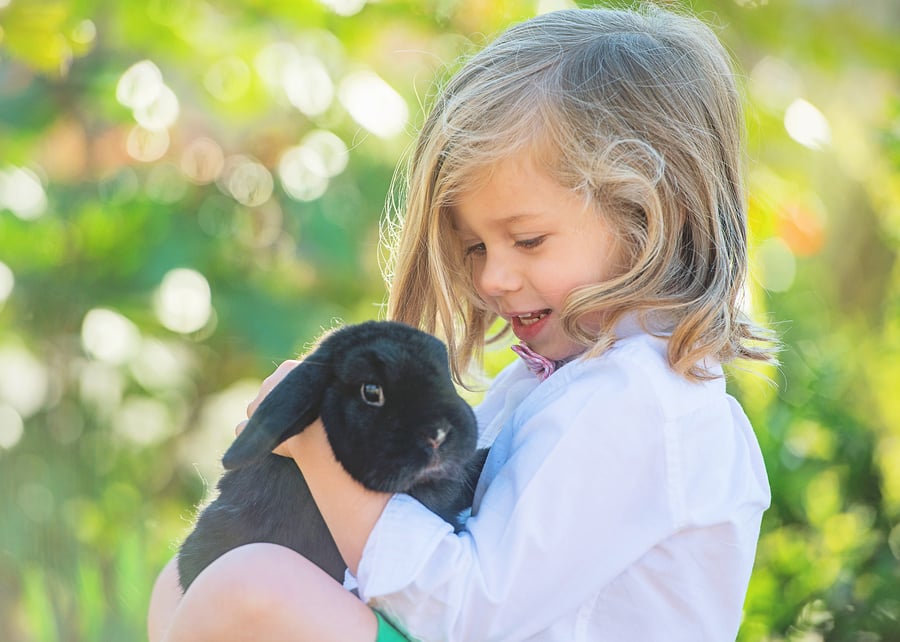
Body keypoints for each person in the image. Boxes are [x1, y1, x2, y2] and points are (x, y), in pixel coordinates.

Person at [148, 4, 777, 640]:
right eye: (475, 248)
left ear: (651, 215)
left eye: (527, 240)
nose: (490, 279)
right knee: (186, 583)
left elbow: (470, 612)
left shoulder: (642, 405)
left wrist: (321, 455)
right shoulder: (558, 385)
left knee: (252, 589)